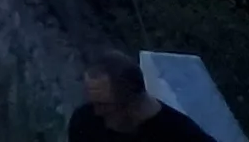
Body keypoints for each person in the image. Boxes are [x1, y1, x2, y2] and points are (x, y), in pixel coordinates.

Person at [67, 51, 215, 141]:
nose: (97, 111)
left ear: (133, 102)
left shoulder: (180, 134)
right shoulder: (85, 121)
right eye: (93, 102)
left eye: (104, 104)